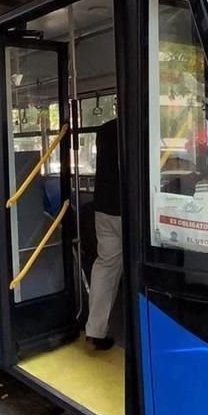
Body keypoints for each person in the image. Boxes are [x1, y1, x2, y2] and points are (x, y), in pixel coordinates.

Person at [85, 118, 121, 351]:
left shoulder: (105, 129)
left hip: (103, 207)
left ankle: (95, 331)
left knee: (106, 266)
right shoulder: (144, 125)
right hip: (128, 210)